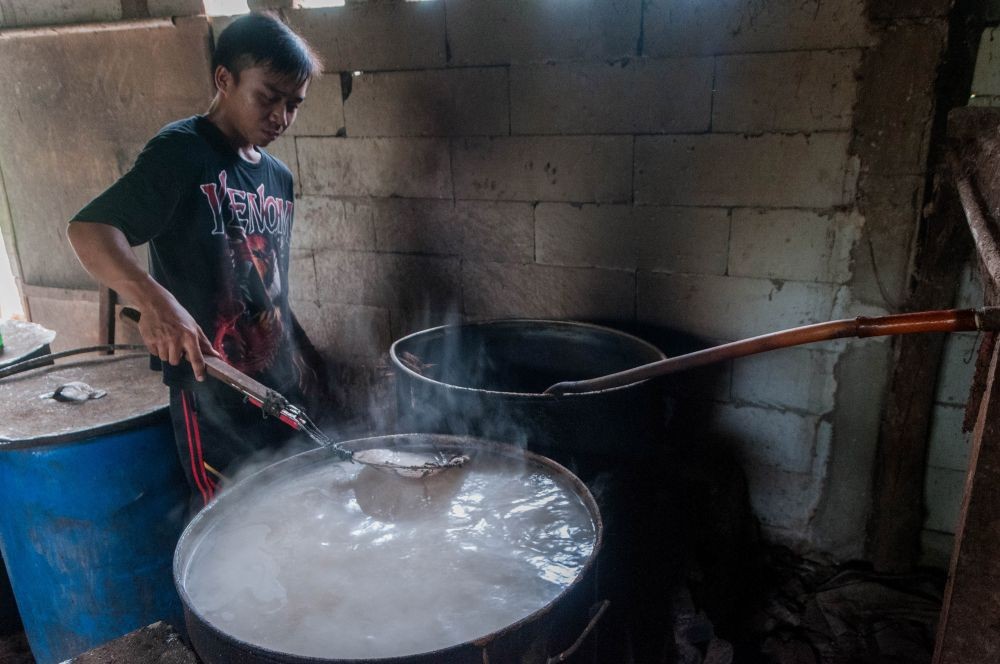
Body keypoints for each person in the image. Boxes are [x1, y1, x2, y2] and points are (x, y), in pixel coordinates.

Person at [67, 12, 325, 510]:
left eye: (294, 105)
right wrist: (154, 302)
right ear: (223, 79)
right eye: (268, 97)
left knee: (297, 521)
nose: (281, 117)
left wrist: (306, 355)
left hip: (278, 387)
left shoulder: (278, 178)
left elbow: (267, 282)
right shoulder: (182, 153)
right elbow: (89, 230)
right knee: (233, 528)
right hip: (214, 393)